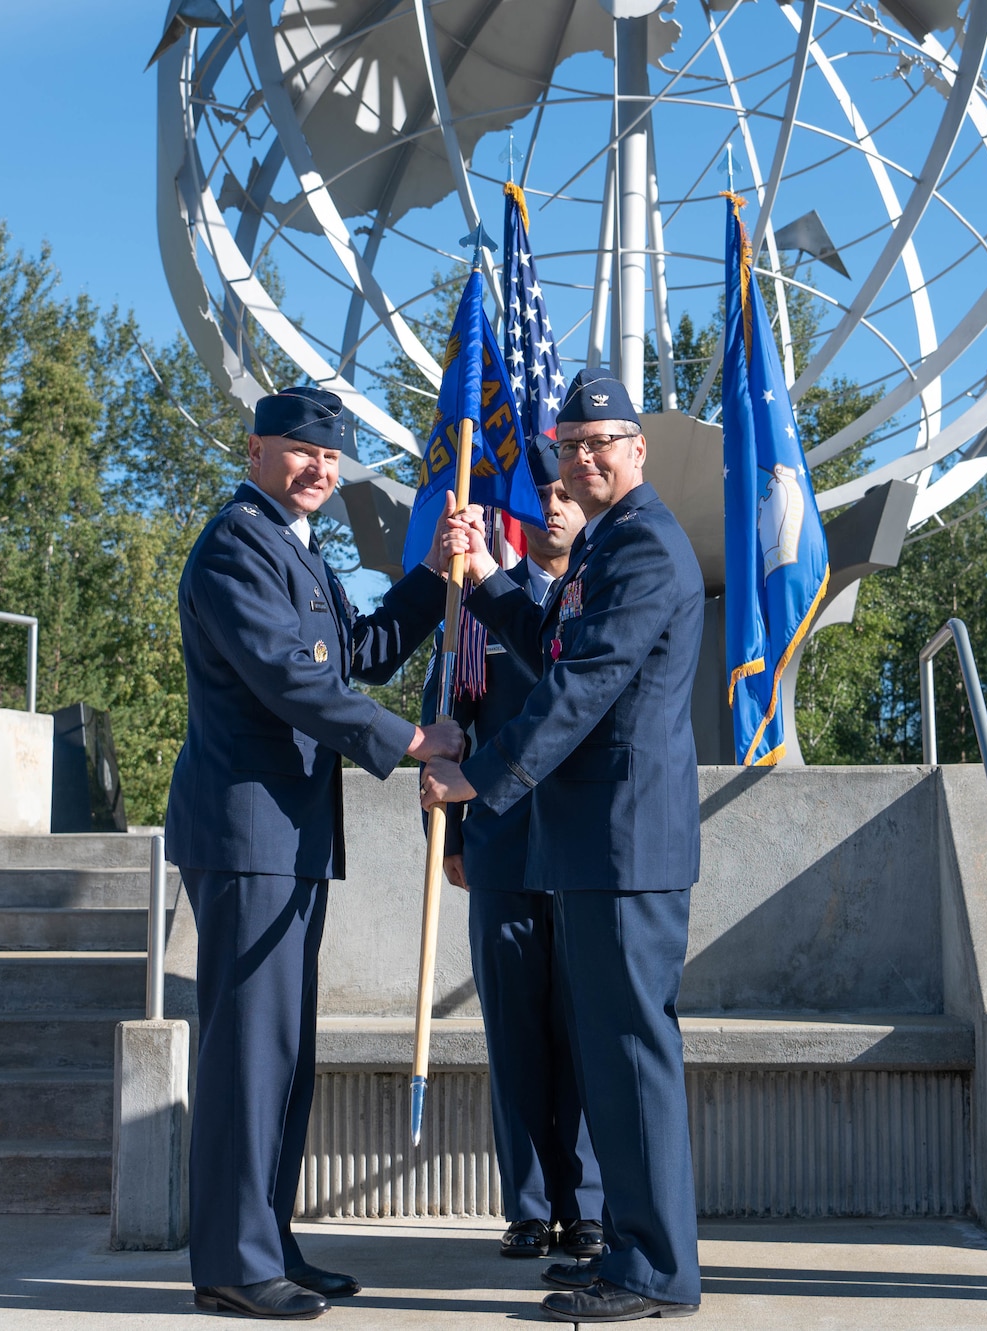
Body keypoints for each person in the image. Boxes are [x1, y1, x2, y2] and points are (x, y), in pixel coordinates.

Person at [166, 385, 463, 1321]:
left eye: (332, 459)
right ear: (254, 450)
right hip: (246, 833)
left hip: (287, 837)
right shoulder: (233, 546)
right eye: (300, 451)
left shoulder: (296, 548)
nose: (319, 470)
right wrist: (409, 743)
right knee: (248, 1055)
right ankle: (232, 1264)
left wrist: (433, 571)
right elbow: (290, 680)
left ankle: (270, 1242)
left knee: (284, 1056)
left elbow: (362, 651)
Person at [421, 368, 703, 1323]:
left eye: (601, 442)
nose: (582, 457)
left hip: (625, 845)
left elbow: (581, 688)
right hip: (591, 843)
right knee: (608, 1053)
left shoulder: (647, 548)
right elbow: (549, 641)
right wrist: (487, 579)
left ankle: (657, 1267)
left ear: (637, 450)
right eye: (571, 442)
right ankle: (629, 1246)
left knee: (629, 1055)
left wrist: (481, 774)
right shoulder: (604, 547)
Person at [422, 437, 606, 1263]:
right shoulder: (473, 614)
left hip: (580, 853)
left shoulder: (596, 597)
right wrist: (455, 833)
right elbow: (449, 730)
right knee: (516, 1036)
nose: (554, 505)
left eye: (564, 491)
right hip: (498, 850)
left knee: (586, 1031)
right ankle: (529, 1207)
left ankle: (590, 1204)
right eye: (539, 495)